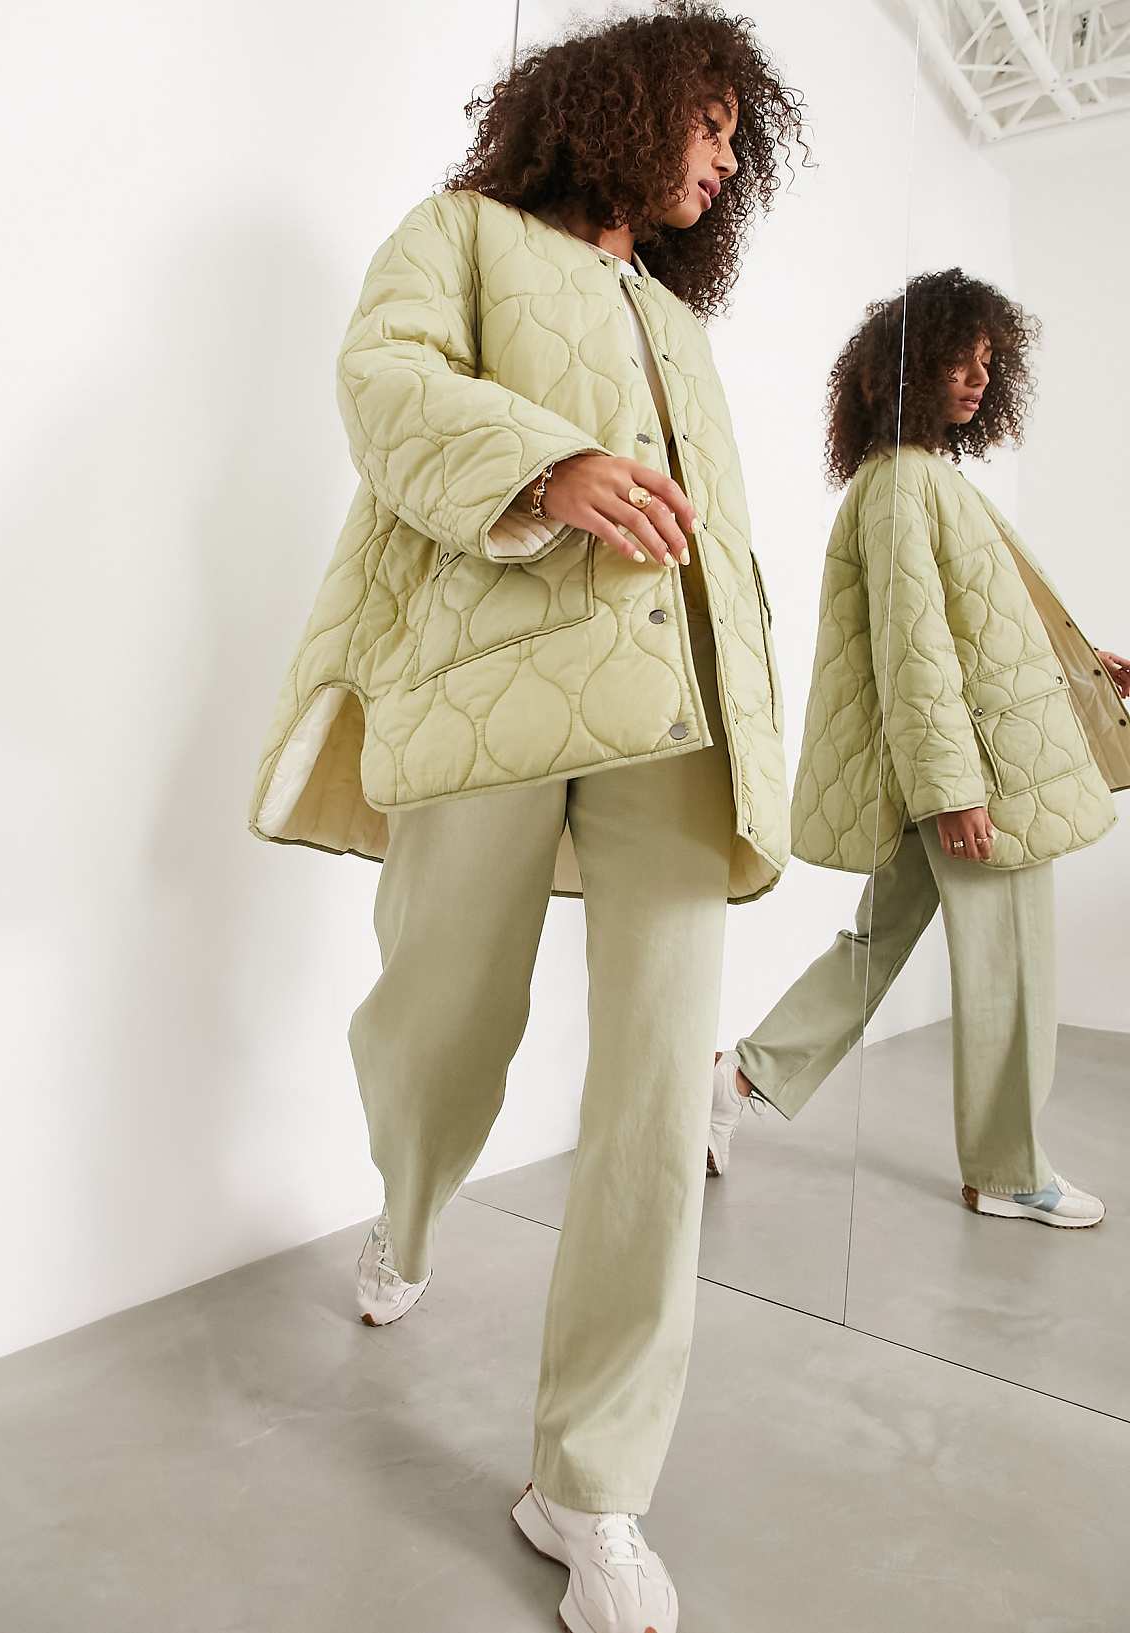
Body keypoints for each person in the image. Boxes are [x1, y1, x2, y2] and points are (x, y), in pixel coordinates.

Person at [245, 8, 807, 1628]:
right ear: (619, 104)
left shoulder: (679, 324)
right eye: (707, 123)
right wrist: (549, 466)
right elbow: (385, 381)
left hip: (674, 720)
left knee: (658, 1089)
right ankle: (408, 1200)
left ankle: (590, 1485)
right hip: (488, 680)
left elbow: (723, 539)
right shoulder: (464, 234)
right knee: (445, 1016)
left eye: (739, 138)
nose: (723, 158)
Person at [711, 268, 1130, 1230]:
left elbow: (985, 625)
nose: (977, 378)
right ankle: (1009, 1170)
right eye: (957, 359)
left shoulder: (924, 478)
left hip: (954, 765)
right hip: (976, 775)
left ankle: (732, 1082)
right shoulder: (903, 484)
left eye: (987, 362)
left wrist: (1084, 661)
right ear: (906, 365)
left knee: (873, 948)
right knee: (1011, 970)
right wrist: (953, 791)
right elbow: (914, 650)